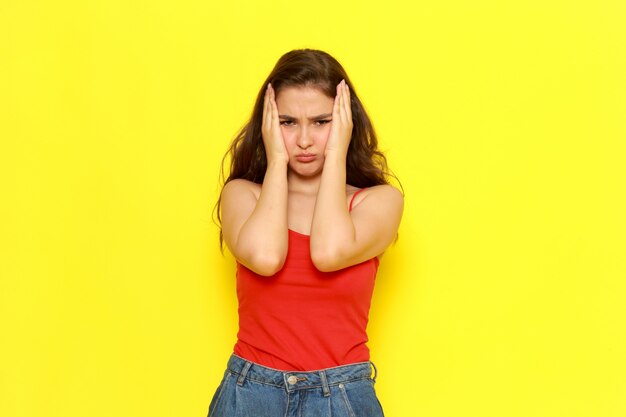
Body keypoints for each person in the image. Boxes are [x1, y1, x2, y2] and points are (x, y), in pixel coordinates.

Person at [208, 48, 403, 417]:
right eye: (287, 122)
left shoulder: (378, 202)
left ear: (345, 123)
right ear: (267, 124)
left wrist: (337, 153)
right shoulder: (243, 195)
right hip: (251, 394)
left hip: (342, 396)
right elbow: (266, 258)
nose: (303, 140)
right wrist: (277, 160)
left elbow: (328, 253)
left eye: (320, 121)